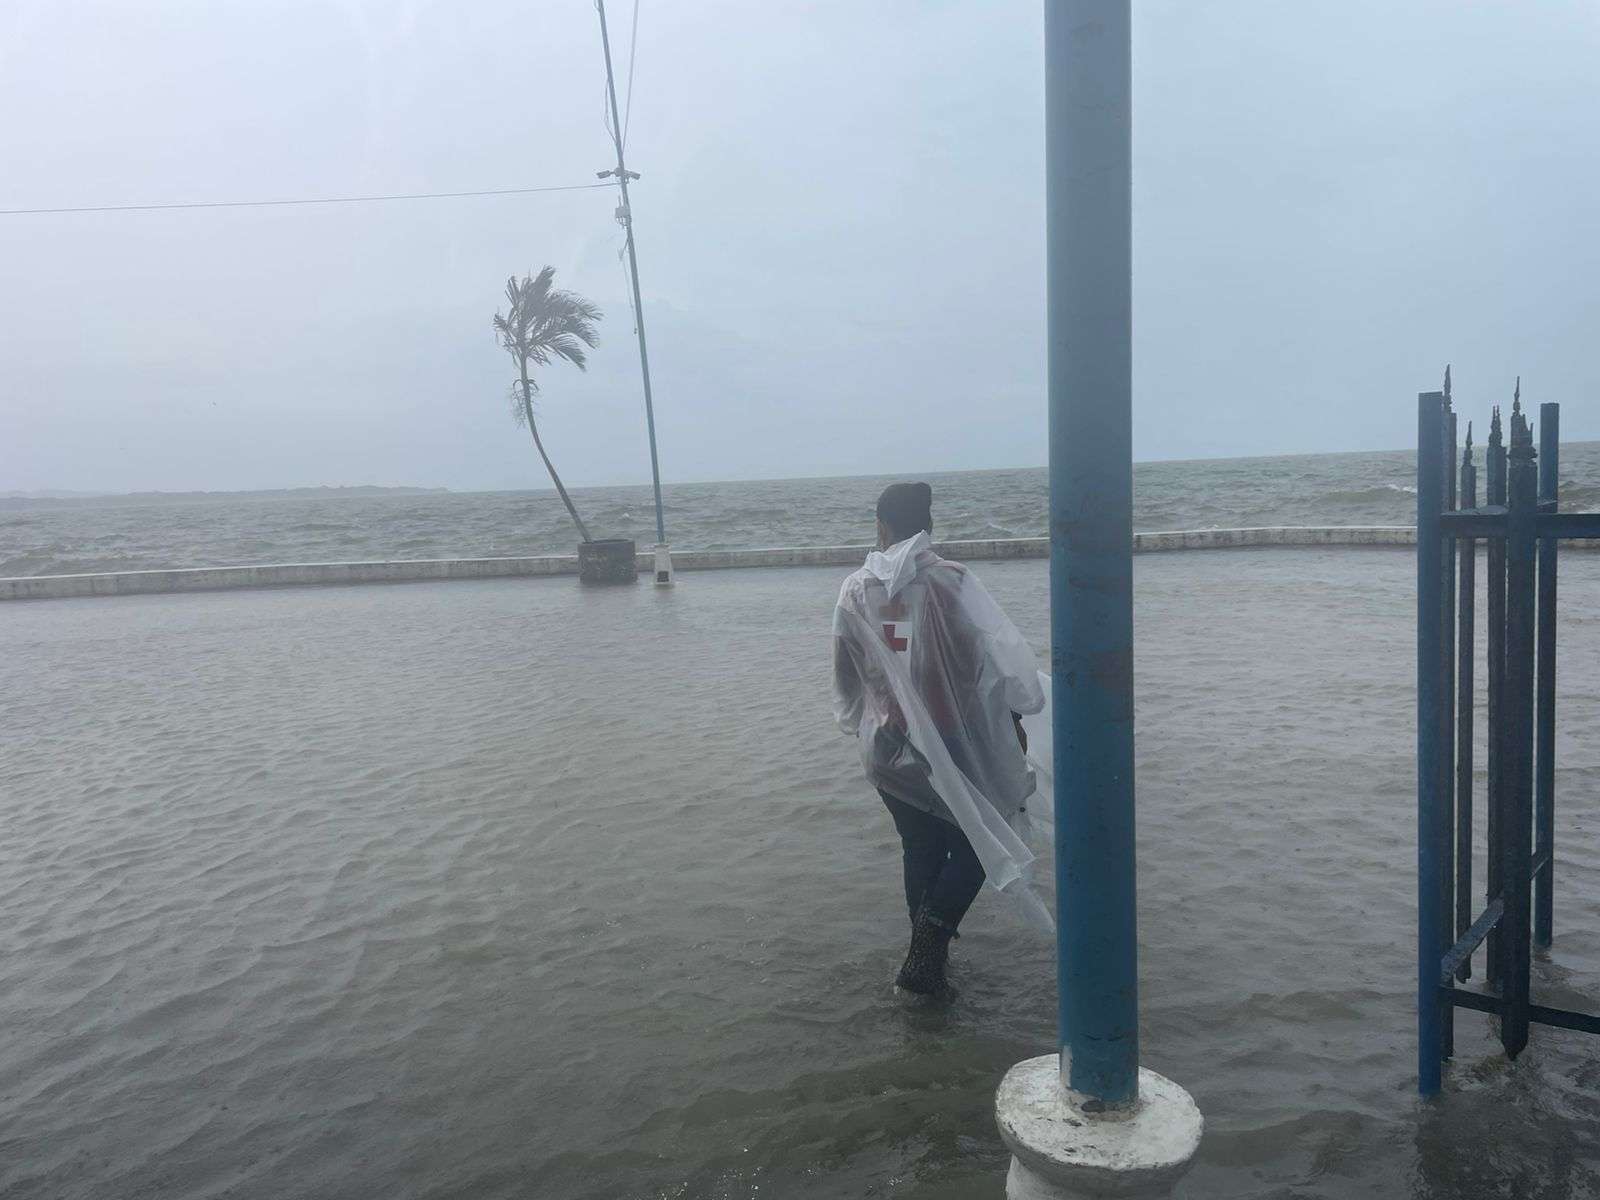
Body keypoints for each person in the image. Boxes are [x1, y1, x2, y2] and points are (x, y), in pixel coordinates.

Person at [831, 482, 1046, 994]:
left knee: (920, 847)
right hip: (956, 744)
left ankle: (926, 960)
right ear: (929, 526)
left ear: (881, 525)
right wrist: (1015, 719)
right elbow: (1001, 662)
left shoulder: (854, 591)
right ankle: (928, 950)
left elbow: (846, 677)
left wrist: (864, 719)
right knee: (976, 845)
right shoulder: (953, 582)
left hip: (887, 748)